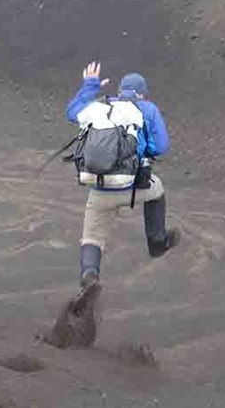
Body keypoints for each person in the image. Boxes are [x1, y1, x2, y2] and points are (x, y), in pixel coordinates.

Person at [65, 61, 179, 289]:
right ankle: (157, 242)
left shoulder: (101, 107)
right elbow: (160, 146)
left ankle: (90, 275)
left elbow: (71, 113)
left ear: (119, 92)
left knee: (92, 237)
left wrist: (90, 86)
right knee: (157, 191)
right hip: (135, 186)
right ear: (143, 94)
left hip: (99, 187)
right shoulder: (147, 108)